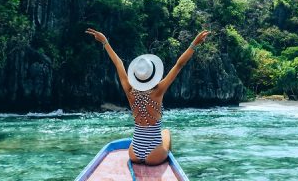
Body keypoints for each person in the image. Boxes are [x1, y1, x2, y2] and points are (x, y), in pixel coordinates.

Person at [85, 28, 210, 165]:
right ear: (153, 75)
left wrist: (105, 42)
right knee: (166, 132)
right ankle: (168, 163)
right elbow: (179, 64)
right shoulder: (158, 90)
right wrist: (194, 44)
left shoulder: (129, 90)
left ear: (136, 76)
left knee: (150, 137)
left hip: (134, 152)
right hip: (154, 154)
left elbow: (118, 63)